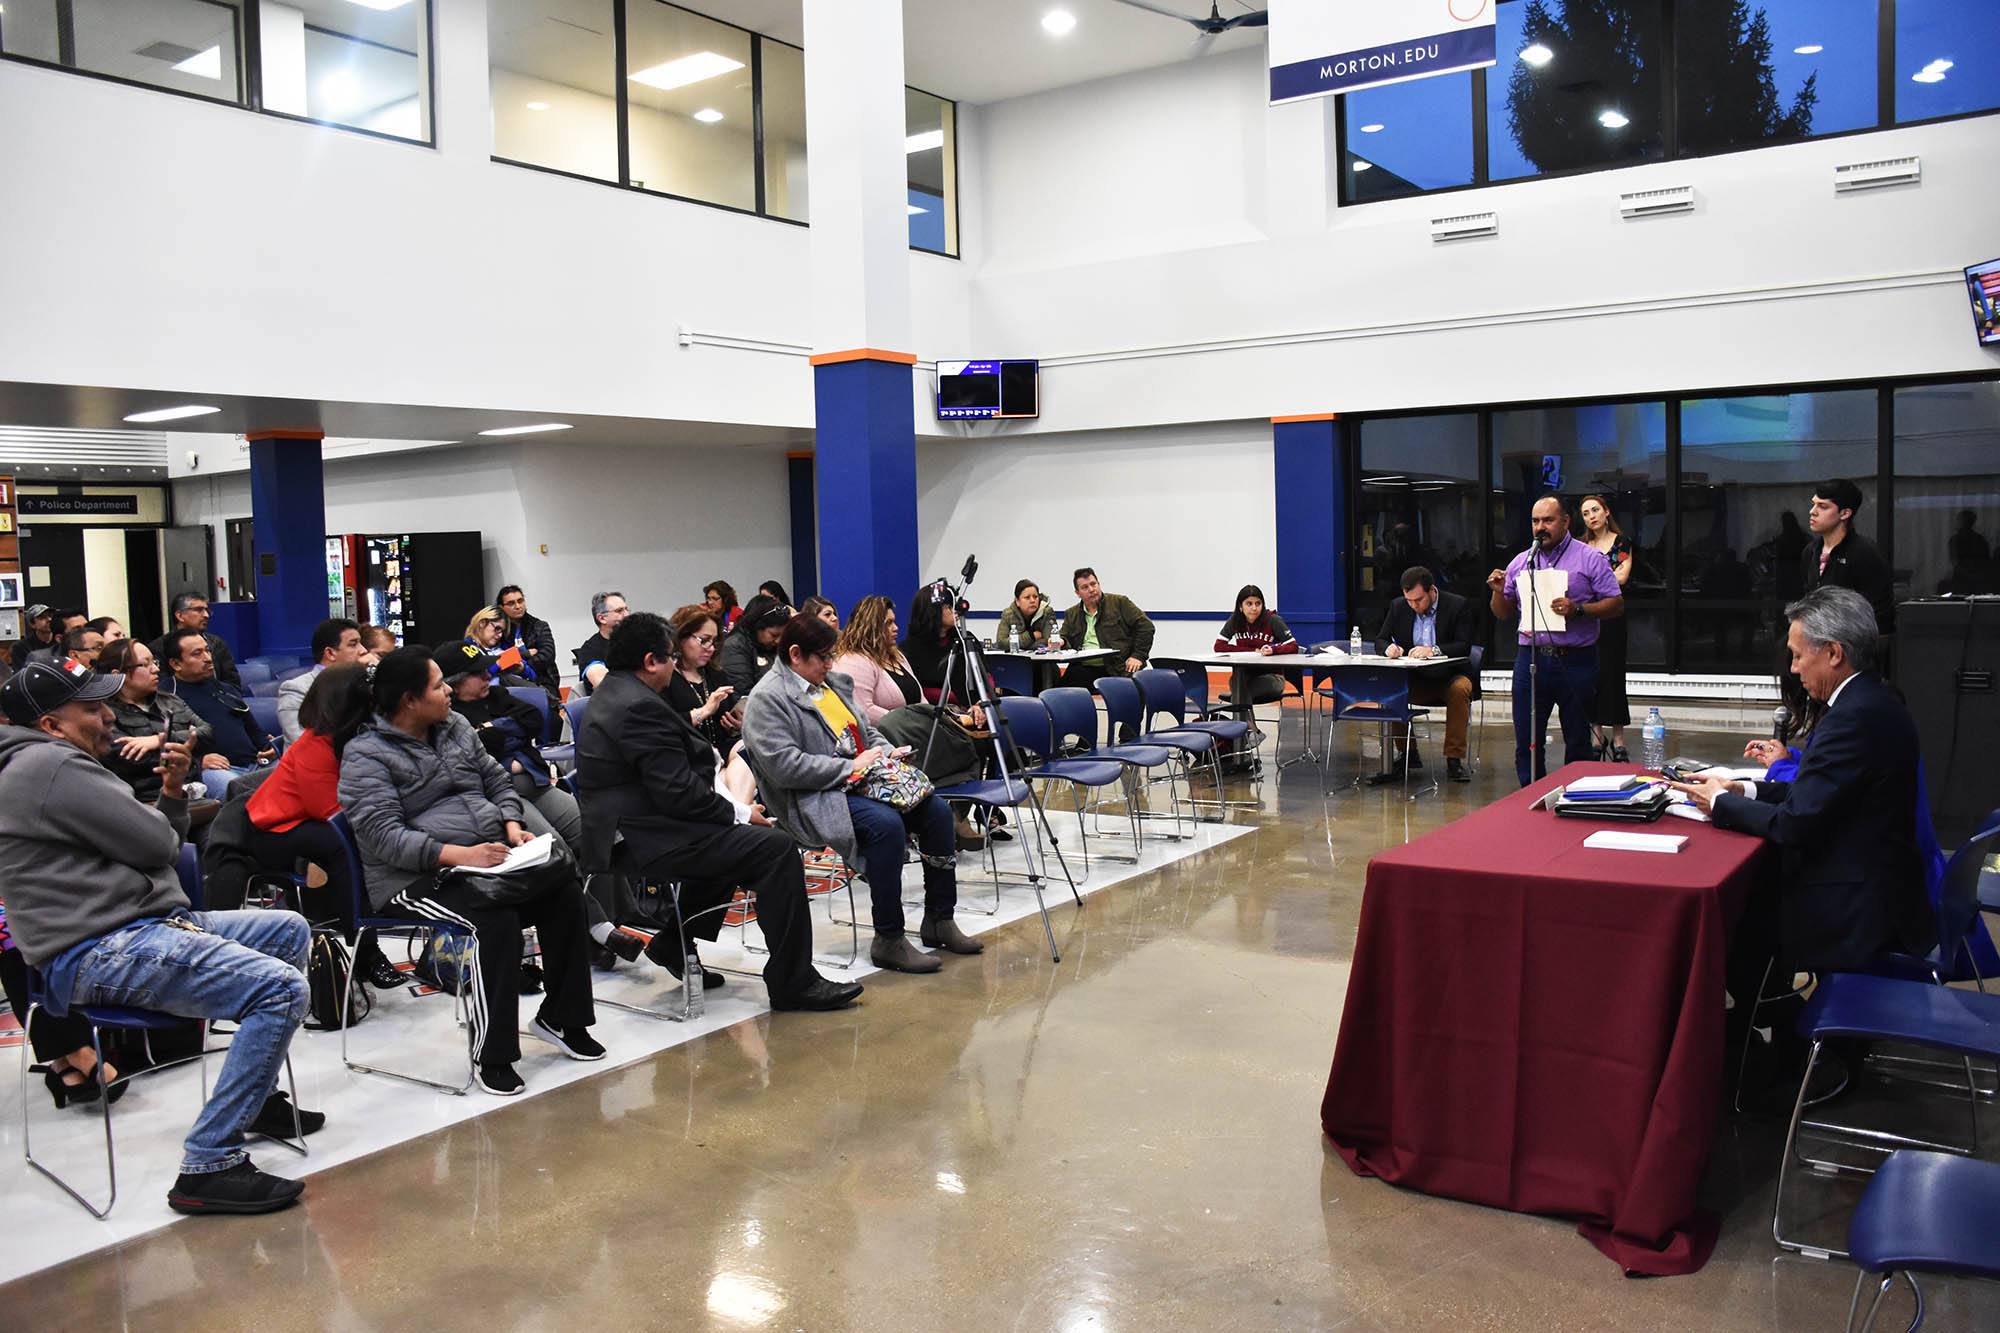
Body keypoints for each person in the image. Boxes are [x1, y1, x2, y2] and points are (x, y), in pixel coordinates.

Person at [0, 659, 324, 1215]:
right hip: (99, 948)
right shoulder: (51, 768)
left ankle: (254, 1102)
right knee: (281, 990)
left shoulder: (50, 763)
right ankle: (210, 1161)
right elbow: (158, 847)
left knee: (287, 929)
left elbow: (158, 840)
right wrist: (167, 807)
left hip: (134, 927)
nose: (108, 716)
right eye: (92, 708)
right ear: (52, 724)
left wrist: (171, 790)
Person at [1670, 589, 1935, 1094]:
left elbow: (1795, 823)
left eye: (1797, 655)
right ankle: (1771, 1033)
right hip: (1876, 880)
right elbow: (1818, 791)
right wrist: (1741, 787)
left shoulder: (1852, 717)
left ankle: (1768, 1052)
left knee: (1732, 920)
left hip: (1855, 904)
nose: (1792, 669)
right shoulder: (1872, 700)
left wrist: (1720, 806)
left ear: (1833, 653)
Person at [338, 648, 604, 1097]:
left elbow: (497, 780)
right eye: (438, 685)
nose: (448, 691)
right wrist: (457, 854)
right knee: (492, 919)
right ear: (408, 700)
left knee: (563, 893)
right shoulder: (366, 755)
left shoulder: (455, 726)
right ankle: (493, 1052)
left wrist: (513, 826)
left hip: (487, 857)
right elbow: (383, 837)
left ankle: (562, 1017)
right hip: (412, 878)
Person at [575, 611, 863, 1010]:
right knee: (773, 848)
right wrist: (741, 812)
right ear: (650, 661)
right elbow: (678, 794)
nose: (676, 664)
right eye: (671, 656)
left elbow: (676, 786)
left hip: (642, 823)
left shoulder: (621, 692)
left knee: (738, 845)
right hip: (641, 836)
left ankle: (673, 945)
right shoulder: (637, 706)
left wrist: (732, 812)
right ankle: (793, 982)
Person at [742, 613, 983, 974]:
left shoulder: (832, 685)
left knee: (935, 812)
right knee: (886, 826)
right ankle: (888, 936)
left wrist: (888, 753)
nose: (829, 663)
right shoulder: (768, 700)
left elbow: (867, 735)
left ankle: (939, 918)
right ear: (794, 654)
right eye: (822, 657)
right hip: (816, 796)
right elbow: (784, 767)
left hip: (864, 782)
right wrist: (849, 768)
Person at [240, 665, 406, 990]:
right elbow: (330, 812)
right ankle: (365, 950)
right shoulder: (314, 746)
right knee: (344, 844)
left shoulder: (356, 737)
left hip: (310, 823)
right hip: (275, 831)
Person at [1487, 495, 1623, 787]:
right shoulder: (1521, 562)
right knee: (1527, 735)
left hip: (1576, 659)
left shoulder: (1589, 558)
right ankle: (1531, 793)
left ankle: (1578, 796)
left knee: (1577, 736)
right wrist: (1498, 591)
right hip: (1530, 659)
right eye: (1535, 521)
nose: (1540, 527)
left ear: (1565, 522)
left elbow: (1616, 604)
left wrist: (1580, 610)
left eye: (1548, 520)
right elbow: (1502, 613)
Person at [1372, 569, 1477, 785]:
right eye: (1409, 600)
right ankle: (1407, 753)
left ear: (1432, 591)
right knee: (1391, 689)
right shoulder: (1399, 606)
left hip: (1450, 675)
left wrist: (1433, 650)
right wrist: (1388, 648)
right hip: (1415, 677)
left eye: (1418, 600)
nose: (1414, 605)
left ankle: (1454, 759)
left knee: (1460, 689)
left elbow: (1464, 646)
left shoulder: (1457, 605)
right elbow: (1380, 639)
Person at [97, 637, 216, 803]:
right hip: (144, 801)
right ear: (118, 675)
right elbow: (130, 757)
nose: (155, 670)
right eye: (145, 664)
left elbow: (208, 734)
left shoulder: (171, 701)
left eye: (155, 662)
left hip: (193, 793)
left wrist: (158, 741)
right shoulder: (103, 712)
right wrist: (187, 749)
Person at [1801, 478, 1896, 671]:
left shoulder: (1863, 552)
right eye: (1813, 504)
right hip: (1820, 644)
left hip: (1854, 650)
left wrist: (1870, 653)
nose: (1813, 512)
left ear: (1845, 513)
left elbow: (1880, 609)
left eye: (1823, 506)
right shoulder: (1811, 551)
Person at [165, 627, 276, 790]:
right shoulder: (166, 695)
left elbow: (253, 729)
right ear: (176, 664)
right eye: (197, 654)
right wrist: (198, 761)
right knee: (237, 790)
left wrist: (269, 748)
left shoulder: (226, 689)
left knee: (298, 773)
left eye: (207, 651)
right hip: (215, 769)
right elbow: (163, 747)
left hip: (256, 764)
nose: (208, 658)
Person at [1578, 494, 1633, 761]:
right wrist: (1602, 578)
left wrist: (1593, 580)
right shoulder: (1581, 546)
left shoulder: (1621, 542)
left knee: (1613, 675)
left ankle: (1619, 740)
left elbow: (1622, 576)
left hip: (1612, 617)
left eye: (1595, 510)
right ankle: (1597, 736)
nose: (1592, 516)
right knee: (1591, 676)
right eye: (1586, 513)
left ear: (1607, 512)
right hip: (1589, 618)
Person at [1213, 583, 1298, 752]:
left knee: (1239, 692)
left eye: (1257, 604)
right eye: (1249, 604)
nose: (1254, 608)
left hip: (1273, 679)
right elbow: (1219, 645)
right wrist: (1251, 651)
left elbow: (1293, 646)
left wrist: (1273, 649)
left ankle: (1249, 732)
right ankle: (1251, 732)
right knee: (1236, 682)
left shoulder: (1273, 620)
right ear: (1241, 606)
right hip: (1246, 677)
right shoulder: (1235, 621)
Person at [830, 595, 927, 723]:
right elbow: (864, 710)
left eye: (894, 622)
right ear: (871, 627)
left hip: (915, 732)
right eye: (888, 623)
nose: (896, 628)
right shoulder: (854, 660)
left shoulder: (897, 656)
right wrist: (909, 723)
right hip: (886, 737)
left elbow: (921, 699)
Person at [1058, 568, 1154, 690]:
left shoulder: (1119, 603)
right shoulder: (1072, 613)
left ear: (1099, 584)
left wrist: (1138, 656)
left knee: (1130, 691)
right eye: (1085, 587)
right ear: (1078, 593)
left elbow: (1146, 627)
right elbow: (1065, 637)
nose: (1091, 590)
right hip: (1084, 668)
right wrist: (1061, 641)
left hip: (1117, 667)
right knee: (1058, 694)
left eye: (1093, 584)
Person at [664, 604, 743, 753]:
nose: (711, 648)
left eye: (714, 642)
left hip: (725, 753)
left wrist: (737, 725)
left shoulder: (716, 675)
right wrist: (704, 711)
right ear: (680, 637)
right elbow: (664, 727)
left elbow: (728, 721)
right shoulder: (665, 679)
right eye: (704, 640)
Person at [277, 617, 366, 744]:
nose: (363, 650)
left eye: (361, 643)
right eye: (353, 644)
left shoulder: (361, 684)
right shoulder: (296, 689)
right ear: (330, 653)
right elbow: (302, 742)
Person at [152, 592, 242, 689]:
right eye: (199, 610)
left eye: (207, 610)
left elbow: (233, 684)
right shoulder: (159, 648)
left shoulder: (216, 643)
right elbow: (161, 691)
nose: (206, 615)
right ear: (180, 616)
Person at [717, 594, 791, 700]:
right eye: (774, 635)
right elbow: (742, 692)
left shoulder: (770, 646)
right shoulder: (735, 646)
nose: (778, 641)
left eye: (782, 635)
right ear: (758, 627)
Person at [496, 584, 562, 701]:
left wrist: (522, 666)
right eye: (511, 603)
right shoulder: (499, 631)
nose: (518, 606)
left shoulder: (539, 626)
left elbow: (547, 656)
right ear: (501, 608)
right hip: (509, 680)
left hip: (541, 678)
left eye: (520, 601)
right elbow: (500, 659)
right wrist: (526, 653)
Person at [572, 590, 629, 696]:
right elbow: (608, 686)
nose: (626, 615)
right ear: (602, 618)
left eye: (626, 609)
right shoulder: (590, 650)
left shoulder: (636, 641)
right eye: (619, 611)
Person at [995, 579, 1056, 650]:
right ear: (1017, 601)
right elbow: (1001, 643)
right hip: (1017, 659)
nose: (1033, 601)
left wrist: (1017, 644)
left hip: (1042, 659)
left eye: (1035, 597)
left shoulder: (1047, 612)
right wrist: (1031, 636)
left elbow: (1049, 642)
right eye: (1027, 597)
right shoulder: (1008, 614)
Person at [9, 603, 55, 669]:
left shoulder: (62, 642)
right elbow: (20, 674)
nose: (49, 619)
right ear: (32, 624)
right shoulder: (21, 647)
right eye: (42, 617)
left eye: (50, 616)